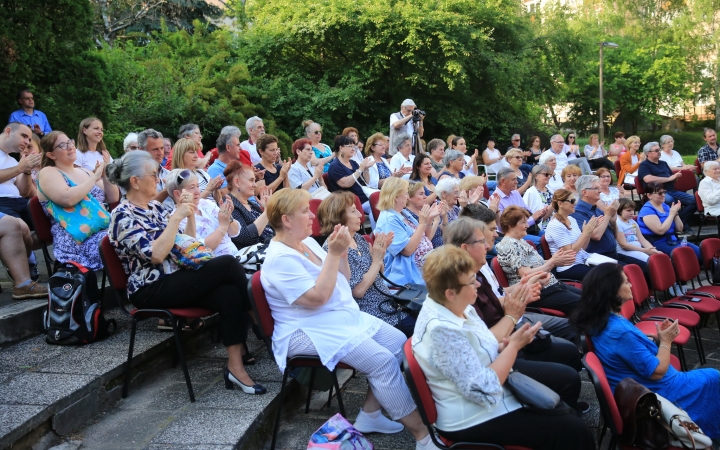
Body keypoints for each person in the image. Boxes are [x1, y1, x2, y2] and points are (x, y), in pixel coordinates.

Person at [260, 189, 439, 449]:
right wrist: (334, 254)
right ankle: (423, 436)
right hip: (307, 330)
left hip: (337, 317)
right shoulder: (279, 258)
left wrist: (340, 255)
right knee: (382, 362)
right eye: (304, 211)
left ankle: (370, 415)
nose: (312, 215)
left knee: (399, 342)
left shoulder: (306, 242)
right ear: (286, 220)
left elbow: (341, 279)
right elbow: (317, 297)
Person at [107, 151, 264, 395]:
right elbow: (156, 255)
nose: (159, 180)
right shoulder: (122, 216)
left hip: (177, 277)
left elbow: (188, 245)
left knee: (228, 293)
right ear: (135, 181)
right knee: (228, 264)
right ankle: (262, 325)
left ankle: (236, 367)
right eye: (153, 175)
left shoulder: (154, 209)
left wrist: (188, 214)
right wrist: (175, 218)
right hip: (150, 287)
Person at [412, 246, 595, 450]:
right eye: (472, 282)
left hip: (486, 394)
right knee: (574, 431)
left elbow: (478, 346)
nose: (478, 284)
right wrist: (513, 346)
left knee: (566, 407)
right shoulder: (441, 330)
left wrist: (506, 344)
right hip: (471, 417)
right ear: (450, 293)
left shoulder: (456, 305)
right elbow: (483, 389)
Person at [443, 218, 587, 408]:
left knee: (568, 350)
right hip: (497, 352)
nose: (488, 245)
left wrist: (523, 292)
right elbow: (484, 342)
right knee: (567, 375)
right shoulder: (460, 285)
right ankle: (556, 412)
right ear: (465, 247)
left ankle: (559, 403)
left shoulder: (475, 273)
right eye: (482, 240)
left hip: (506, 332)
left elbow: (496, 302)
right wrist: (513, 316)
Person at [571, 263, 720, 439]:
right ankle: (705, 429)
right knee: (712, 377)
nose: (631, 285)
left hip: (635, 384)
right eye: (626, 283)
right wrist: (665, 341)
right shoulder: (619, 331)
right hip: (653, 394)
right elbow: (657, 372)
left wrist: (651, 340)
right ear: (612, 291)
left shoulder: (601, 317)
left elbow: (625, 351)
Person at [460, 206, 579, 343]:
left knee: (587, 300)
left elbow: (499, 293)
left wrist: (526, 285)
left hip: (530, 295)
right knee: (583, 309)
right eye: (492, 229)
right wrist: (550, 264)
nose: (496, 234)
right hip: (530, 300)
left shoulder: (516, 244)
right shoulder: (505, 246)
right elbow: (487, 333)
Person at [316, 192, 416, 336]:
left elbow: (379, 275)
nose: (360, 214)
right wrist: (376, 260)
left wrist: (380, 253)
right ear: (338, 216)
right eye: (352, 211)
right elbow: (358, 291)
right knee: (422, 327)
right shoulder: (335, 247)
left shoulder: (358, 238)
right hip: (372, 311)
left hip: (388, 301)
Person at [37, 130, 119, 270]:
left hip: (103, 231)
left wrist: (105, 175)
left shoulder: (84, 172)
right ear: (51, 155)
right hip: (77, 241)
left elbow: (113, 198)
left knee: (139, 234)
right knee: (127, 243)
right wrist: (94, 177)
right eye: (62, 145)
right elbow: (67, 199)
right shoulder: (48, 172)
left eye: (70, 142)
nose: (70, 146)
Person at [495, 206, 582, 315]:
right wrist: (552, 262)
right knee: (585, 303)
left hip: (549, 286)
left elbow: (535, 264)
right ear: (510, 225)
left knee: (591, 297)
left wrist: (558, 260)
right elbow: (526, 274)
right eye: (523, 223)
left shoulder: (519, 241)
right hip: (538, 292)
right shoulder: (508, 244)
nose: (527, 225)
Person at [570, 175, 650, 271]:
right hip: (598, 257)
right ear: (584, 192)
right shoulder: (578, 212)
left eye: (599, 188)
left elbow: (615, 236)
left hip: (612, 253)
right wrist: (607, 216)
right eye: (596, 188)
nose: (600, 191)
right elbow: (596, 236)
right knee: (633, 273)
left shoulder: (597, 210)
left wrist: (612, 222)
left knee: (646, 267)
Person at [375, 177, 438, 286]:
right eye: (405, 194)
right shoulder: (388, 220)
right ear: (395, 197)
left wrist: (429, 219)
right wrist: (423, 223)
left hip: (427, 260)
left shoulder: (402, 213)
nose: (408, 197)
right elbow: (408, 250)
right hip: (414, 268)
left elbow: (424, 237)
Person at [0, 123, 42, 279]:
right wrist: (19, 168)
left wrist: (26, 170)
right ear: (8, 131)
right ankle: (27, 260)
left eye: (30, 139)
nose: (26, 142)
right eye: (24, 136)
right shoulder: (14, 164)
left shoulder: (12, 160)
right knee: (21, 227)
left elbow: (23, 191)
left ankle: (19, 256)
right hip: (1, 204)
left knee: (56, 222)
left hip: (19, 202)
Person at [165, 169, 240, 256]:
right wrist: (223, 226)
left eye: (198, 186)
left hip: (237, 256)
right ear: (178, 194)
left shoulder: (206, 203)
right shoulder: (177, 219)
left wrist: (228, 216)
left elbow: (235, 232)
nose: (197, 191)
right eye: (192, 188)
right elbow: (199, 249)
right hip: (217, 264)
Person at [639, 141, 697, 232]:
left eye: (659, 150)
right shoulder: (644, 165)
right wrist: (670, 178)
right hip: (656, 193)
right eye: (656, 150)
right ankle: (682, 226)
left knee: (695, 201)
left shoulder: (663, 163)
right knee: (670, 201)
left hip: (671, 190)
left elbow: (671, 179)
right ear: (648, 153)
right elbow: (648, 179)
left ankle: (681, 220)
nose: (659, 152)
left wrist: (675, 178)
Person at [544, 189, 599, 281]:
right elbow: (571, 253)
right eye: (572, 201)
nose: (575, 204)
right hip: (568, 267)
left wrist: (589, 232)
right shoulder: (555, 225)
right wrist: (585, 233)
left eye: (575, 201)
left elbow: (582, 248)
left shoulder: (571, 220)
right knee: (604, 276)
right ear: (560, 204)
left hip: (582, 260)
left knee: (614, 269)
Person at [637, 182, 701, 261]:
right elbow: (660, 231)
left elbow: (680, 229)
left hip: (673, 240)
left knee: (700, 253)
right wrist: (671, 215)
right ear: (649, 195)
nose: (663, 195)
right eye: (659, 193)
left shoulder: (665, 206)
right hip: (658, 243)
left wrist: (676, 214)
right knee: (687, 256)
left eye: (664, 192)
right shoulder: (647, 210)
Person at [491, 167, 548, 250]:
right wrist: (532, 219)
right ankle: (542, 263)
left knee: (551, 238)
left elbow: (528, 213)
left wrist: (538, 216)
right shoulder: (494, 199)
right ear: (503, 181)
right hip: (515, 234)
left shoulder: (515, 194)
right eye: (513, 179)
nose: (517, 182)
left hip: (530, 229)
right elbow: (506, 227)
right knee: (540, 242)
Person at [224, 160, 274, 249]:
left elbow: (271, 228)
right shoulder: (229, 205)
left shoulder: (250, 204)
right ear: (237, 182)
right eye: (251, 180)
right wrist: (267, 212)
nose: (255, 185)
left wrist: (265, 209)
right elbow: (244, 237)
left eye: (255, 180)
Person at [326, 135, 376, 224]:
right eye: (350, 146)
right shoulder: (335, 166)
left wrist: (366, 169)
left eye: (354, 146)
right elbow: (346, 184)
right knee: (376, 207)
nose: (353, 149)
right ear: (341, 148)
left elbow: (366, 182)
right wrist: (360, 169)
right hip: (351, 201)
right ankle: (377, 234)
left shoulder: (353, 163)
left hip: (364, 197)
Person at [171, 137, 223, 204]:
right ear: (181, 155)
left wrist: (216, 188)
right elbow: (187, 203)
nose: (196, 156)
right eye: (192, 152)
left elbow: (218, 200)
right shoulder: (178, 177)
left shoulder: (201, 173)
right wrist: (208, 190)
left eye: (196, 152)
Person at [615, 197, 660, 262]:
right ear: (619, 210)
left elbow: (642, 240)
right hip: (625, 252)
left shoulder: (632, 222)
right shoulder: (617, 223)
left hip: (639, 250)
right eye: (628, 210)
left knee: (659, 258)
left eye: (633, 210)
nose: (632, 213)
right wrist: (644, 250)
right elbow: (624, 245)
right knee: (651, 262)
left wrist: (654, 251)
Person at [137, 128, 173, 208]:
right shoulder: (134, 177)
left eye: (162, 148)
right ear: (141, 150)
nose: (160, 153)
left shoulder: (169, 174)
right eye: (155, 149)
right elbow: (141, 208)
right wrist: (166, 191)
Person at [405, 181, 445, 248]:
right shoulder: (408, 216)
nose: (425, 197)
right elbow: (426, 239)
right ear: (409, 197)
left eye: (424, 193)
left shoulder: (423, 211)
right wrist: (435, 221)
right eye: (421, 194)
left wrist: (443, 215)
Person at [522, 164, 554, 231]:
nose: (548, 177)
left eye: (550, 175)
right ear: (536, 176)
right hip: (541, 228)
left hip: (554, 225)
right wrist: (554, 203)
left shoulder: (550, 190)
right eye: (546, 174)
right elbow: (530, 216)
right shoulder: (530, 192)